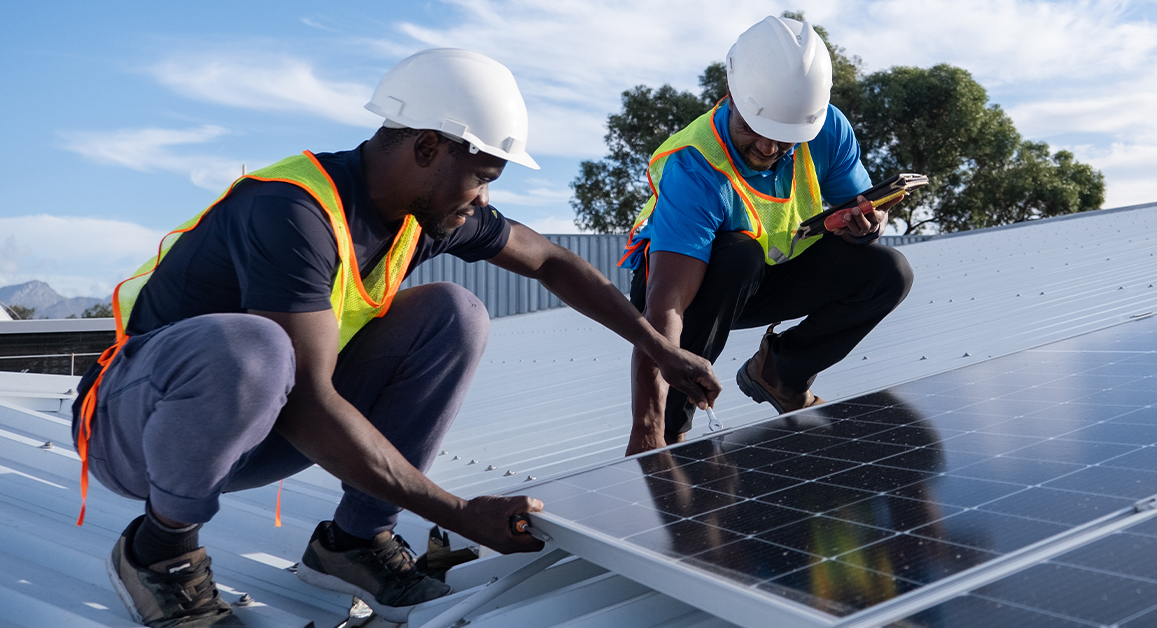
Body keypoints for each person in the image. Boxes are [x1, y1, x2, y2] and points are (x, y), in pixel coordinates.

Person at [74, 48, 721, 628]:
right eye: (483, 174)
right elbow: (308, 405)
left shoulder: (427, 210)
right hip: (138, 431)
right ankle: (160, 554)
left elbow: (550, 260)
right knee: (256, 349)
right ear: (429, 147)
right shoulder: (294, 211)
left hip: (259, 430)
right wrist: (460, 513)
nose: (484, 196)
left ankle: (353, 544)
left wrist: (658, 347)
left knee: (455, 312)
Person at [620, 16, 914, 456]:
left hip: (768, 276)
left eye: (784, 139)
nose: (768, 148)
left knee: (888, 271)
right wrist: (649, 430)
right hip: (692, 288)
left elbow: (862, 212)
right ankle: (675, 435)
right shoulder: (695, 166)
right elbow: (667, 308)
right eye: (755, 131)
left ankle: (780, 372)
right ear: (733, 96)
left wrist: (869, 226)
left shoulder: (826, 130)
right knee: (739, 254)